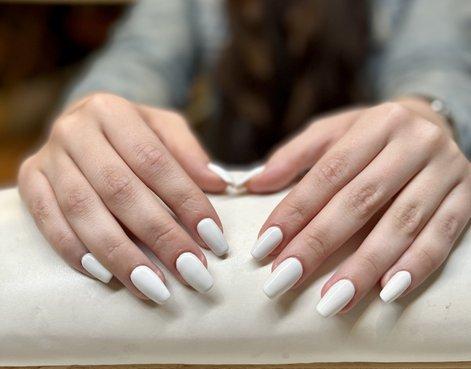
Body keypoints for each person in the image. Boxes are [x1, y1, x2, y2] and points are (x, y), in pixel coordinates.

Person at [18, 0, 471, 317]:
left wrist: (427, 114)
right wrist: (94, 116)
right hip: (219, 199)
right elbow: (138, 58)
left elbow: (438, 61)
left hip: (377, 209)